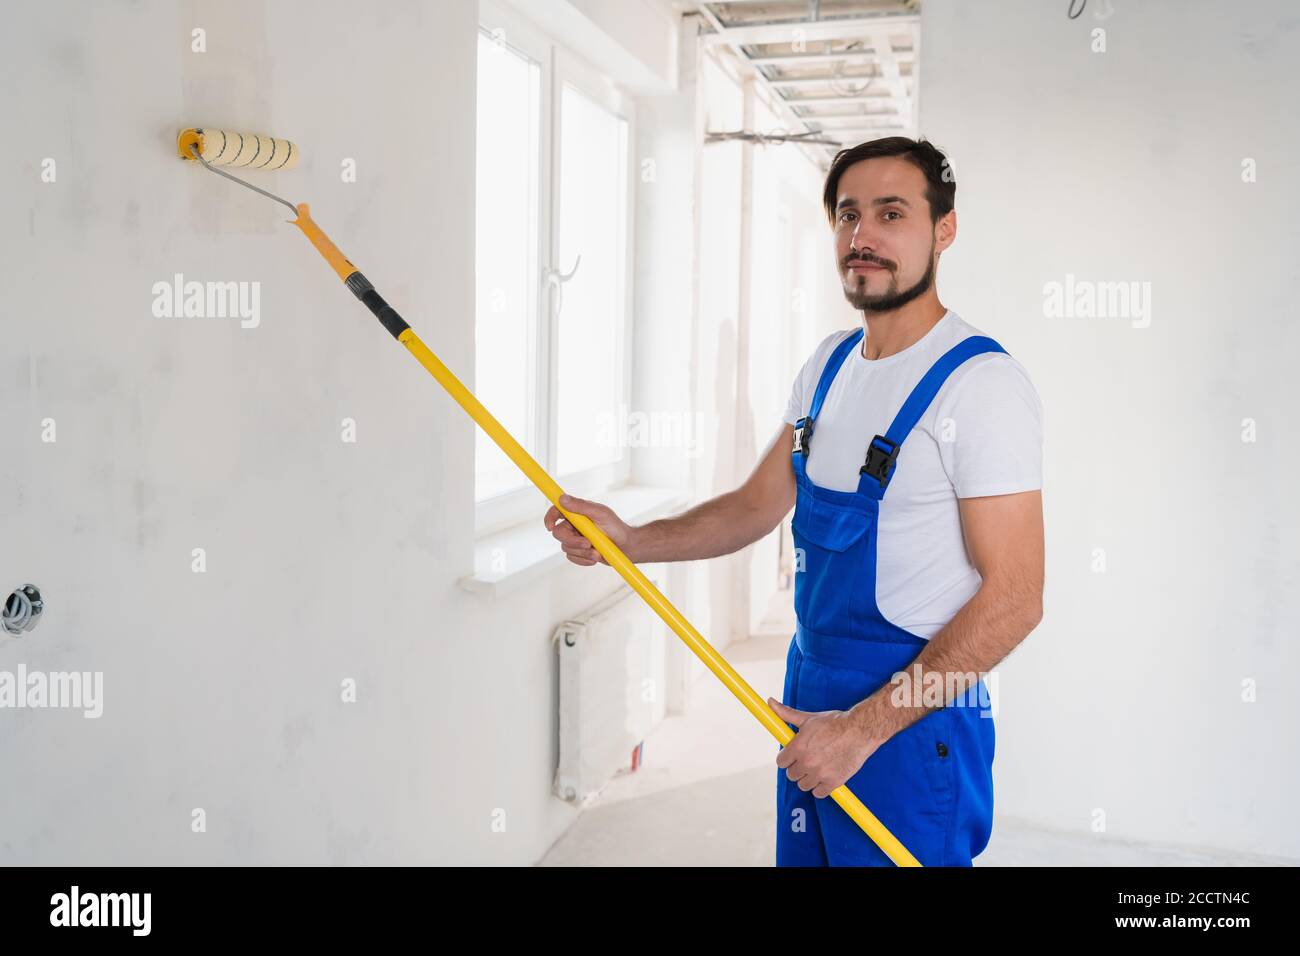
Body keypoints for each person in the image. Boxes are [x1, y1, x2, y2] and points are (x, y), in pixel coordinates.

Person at [543, 136, 1045, 866]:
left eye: (891, 213)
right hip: (809, 696)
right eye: (847, 215)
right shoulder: (830, 364)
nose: (862, 236)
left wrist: (864, 730)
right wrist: (632, 538)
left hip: (906, 725)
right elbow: (755, 506)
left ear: (944, 230)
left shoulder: (982, 386)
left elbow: (1016, 600)